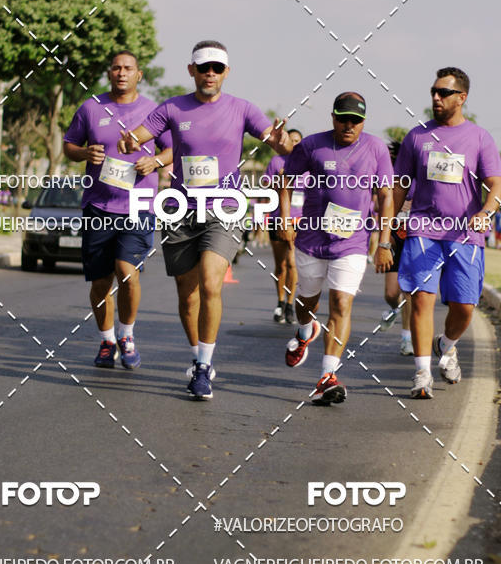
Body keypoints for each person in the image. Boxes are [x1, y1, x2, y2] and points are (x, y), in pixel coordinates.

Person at [119, 39, 292, 400]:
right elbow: (137, 138)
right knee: (188, 295)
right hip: (181, 210)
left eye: (217, 68)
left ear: (226, 72)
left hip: (224, 209)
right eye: (203, 67)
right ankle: (198, 353)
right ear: (192, 70)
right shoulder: (172, 107)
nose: (210, 73)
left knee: (212, 283)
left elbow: (278, 144)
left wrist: (281, 142)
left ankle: (202, 368)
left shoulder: (242, 109)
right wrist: (128, 142)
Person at [279, 92, 394, 404]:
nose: (349, 125)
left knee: (341, 303)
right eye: (343, 119)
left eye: (355, 120)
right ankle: (305, 331)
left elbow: (386, 196)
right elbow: (285, 181)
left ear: (363, 122)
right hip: (312, 238)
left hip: (352, 242)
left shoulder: (376, 148)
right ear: (333, 117)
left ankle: (326, 376)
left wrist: (384, 242)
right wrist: (285, 219)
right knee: (307, 301)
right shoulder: (312, 145)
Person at [393, 67, 501, 399]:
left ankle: (447, 343)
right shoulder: (417, 137)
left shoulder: (479, 137)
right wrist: (389, 223)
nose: (436, 98)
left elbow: (495, 184)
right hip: (423, 229)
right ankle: (422, 373)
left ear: (461, 97)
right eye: (434, 92)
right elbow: (399, 184)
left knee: (465, 306)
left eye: (444, 92)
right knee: (421, 301)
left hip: (465, 235)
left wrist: (486, 212)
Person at [63, 51, 172, 370]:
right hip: (98, 205)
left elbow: (174, 148)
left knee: (127, 272)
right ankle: (107, 340)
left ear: (139, 74)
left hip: (138, 205)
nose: (121, 73)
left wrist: (155, 161)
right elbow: (69, 145)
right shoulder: (91, 107)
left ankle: (127, 335)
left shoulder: (153, 111)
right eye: (116, 68)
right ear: (109, 73)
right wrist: (84, 152)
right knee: (100, 282)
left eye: (128, 68)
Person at [264, 129, 304, 323]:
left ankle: (290, 304)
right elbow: (265, 186)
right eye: (291, 140)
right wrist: (277, 182)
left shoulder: (307, 164)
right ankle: (280, 302)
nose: (294, 144)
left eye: (298, 141)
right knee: (280, 265)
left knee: (292, 263)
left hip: (299, 221)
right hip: (277, 219)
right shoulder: (276, 161)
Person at [379, 140, 413, 356]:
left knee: (408, 290)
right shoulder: (387, 175)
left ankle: (407, 339)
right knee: (392, 293)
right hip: (393, 237)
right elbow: (378, 205)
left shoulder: (418, 174)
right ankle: (394, 308)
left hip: (415, 236)